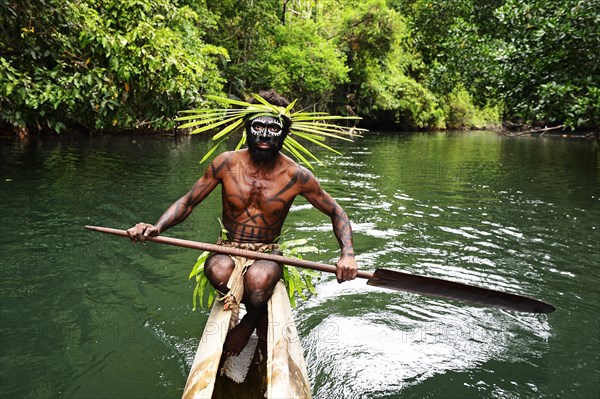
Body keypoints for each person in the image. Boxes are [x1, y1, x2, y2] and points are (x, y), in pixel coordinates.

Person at [127, 90, 358, 356]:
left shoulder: (297, 175)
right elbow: (188, 202)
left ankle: (250, 321)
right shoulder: (225, 163)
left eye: (274, 128)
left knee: (258, 280)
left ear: (284, 134)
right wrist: (157, 227)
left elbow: (337, 211)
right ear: (247, 127)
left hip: (266, 252)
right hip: (228, 246)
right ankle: (254, 312)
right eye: (258, 126)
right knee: (218, 271)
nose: (265, 135)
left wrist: (347, 254)